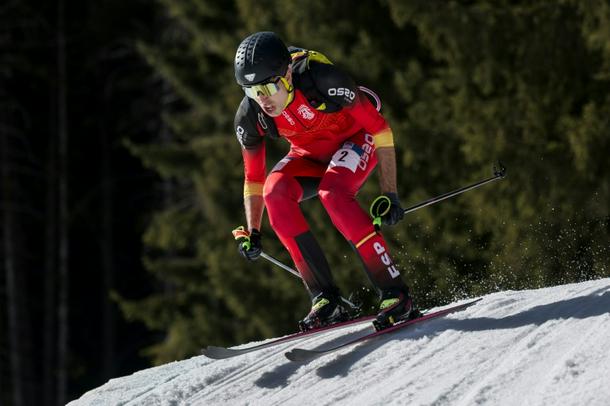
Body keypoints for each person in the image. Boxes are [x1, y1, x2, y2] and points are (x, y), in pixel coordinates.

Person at [233, 31, 413, 331]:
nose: (262, 99)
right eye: (252, 91)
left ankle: (395, 292)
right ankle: (325, 299)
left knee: (333, 193)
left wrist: (390, 193)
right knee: (274, 193)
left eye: (268, 87)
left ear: (287, 74)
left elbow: (380, 129)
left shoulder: (320, 79)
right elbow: (253, 178)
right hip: (309, 156)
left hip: (357, 139)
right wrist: (253, 231)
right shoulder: (251, 114)